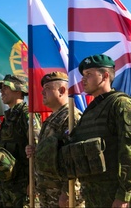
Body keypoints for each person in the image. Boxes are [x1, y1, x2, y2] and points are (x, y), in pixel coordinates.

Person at [63, 54, 131, 207]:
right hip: (93, 194)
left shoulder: (121, 104)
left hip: (114, 195)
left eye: (89, 74)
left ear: (105, 76)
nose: (83, 79)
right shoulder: (91, 110)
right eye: (82, 75)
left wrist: (124, 195)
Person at [0, 74, 41, 207]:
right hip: (7, 187)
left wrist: (34, 181)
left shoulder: (26, 114)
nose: (1, 91)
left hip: (22, 186)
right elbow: (6, 149)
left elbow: (37, 148)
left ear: (18, 90)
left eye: (5, 87)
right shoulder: (9, 116)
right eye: (1, 88)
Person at [25, 71, 84, 207]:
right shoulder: (51, 119)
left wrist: (69, 193)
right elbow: (53, 152)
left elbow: (76, 157)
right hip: (48, 193)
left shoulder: (71, 117)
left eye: (47, 89)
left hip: (62, 195)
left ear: (62, 90)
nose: (42, 93)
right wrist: (37, 151)